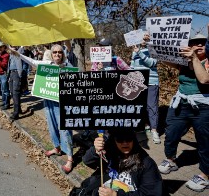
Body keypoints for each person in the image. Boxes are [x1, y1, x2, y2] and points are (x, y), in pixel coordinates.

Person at [10, 44, 74, 173]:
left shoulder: (68, 66)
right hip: (48, 100)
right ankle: (57, 147)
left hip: (62, 102)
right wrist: (18, 54)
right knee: (52, 126)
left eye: (59, 52)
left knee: (64, 128)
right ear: (51, 54)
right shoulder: (47, 64)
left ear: (63, 54)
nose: (57, 54)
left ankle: (70, 158)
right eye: (54, 52)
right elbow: (32, 61)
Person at [158, 33, 209, 192]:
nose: (199, 45)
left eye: (202, 43)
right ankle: (170, 159)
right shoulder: (183, 61)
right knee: (171, 132)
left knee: (204, 140)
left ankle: (205, 175)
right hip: (182, 103)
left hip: (203, 106)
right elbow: (164, 59)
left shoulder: (207, 61)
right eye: (195, 43)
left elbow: (204, 80)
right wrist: (153, 44)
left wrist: (194, 58)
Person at [80, 129, 162, 195]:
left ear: (134, 139)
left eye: (129, 138)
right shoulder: (109, 151)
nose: (125, 143)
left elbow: (151, 192)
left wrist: (116, 194)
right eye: (120, 139)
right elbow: (87, 161)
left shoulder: (146, 162)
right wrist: (95, 151)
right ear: (114, 140)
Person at [130, 32, 161, 144]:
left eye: (144, 37)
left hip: (151, 81)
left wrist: (140, 53)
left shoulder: (153, 49)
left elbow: (152, 63)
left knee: (152, 106)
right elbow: (132, 66)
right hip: (138, 82)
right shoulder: (135, 50)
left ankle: (154, 130)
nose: (142, 39)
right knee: (139, 106)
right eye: (141, 37)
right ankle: (144, 127)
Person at [8, 46, 23, 120]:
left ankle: (16, 113)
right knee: (12, 92)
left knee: (15, 93)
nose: (12, 48)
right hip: (11, 73)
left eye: (14, 47)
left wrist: (19, 76)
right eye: (11, 46)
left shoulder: (17, 53)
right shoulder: (11, 54)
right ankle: (18, 109)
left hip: (16, 74)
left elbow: (19, 66)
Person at [0, 42, 10, 110]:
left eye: (0, 47)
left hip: (4, 74)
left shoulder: (6, 55)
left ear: (4, 47)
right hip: (0, 74)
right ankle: (4, 102)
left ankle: (7, 104)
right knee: (2, 89)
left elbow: (4, 65)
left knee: (5, 90)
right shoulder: (1, 54)